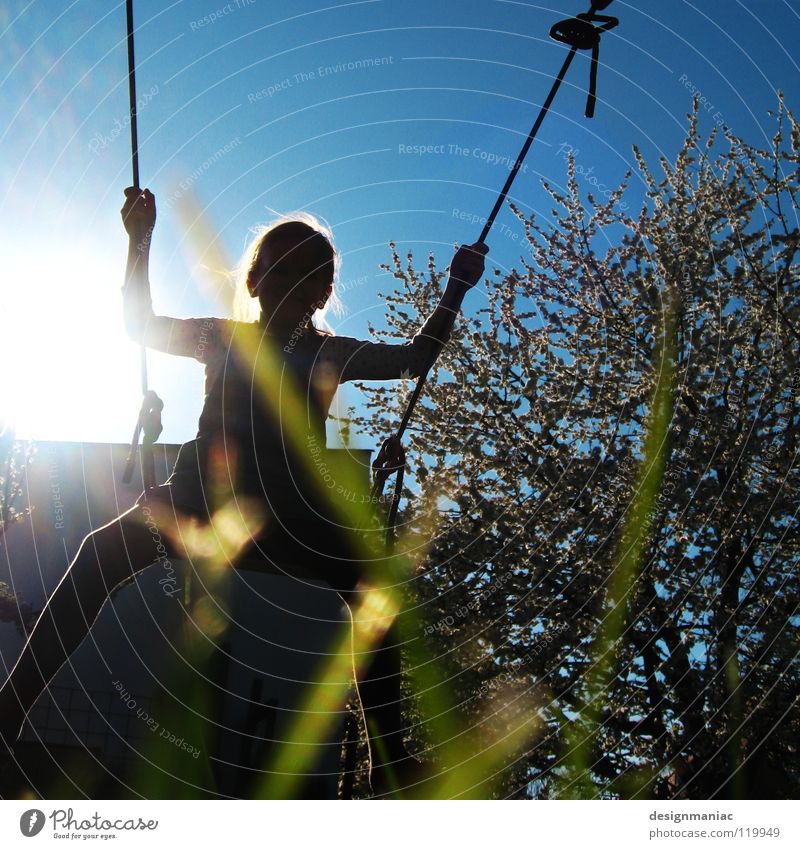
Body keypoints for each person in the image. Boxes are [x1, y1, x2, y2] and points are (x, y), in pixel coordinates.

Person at [0, 187, 487, 796]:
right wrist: (140, 239)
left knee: (374, 590)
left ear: (322, 294)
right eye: (281, 270)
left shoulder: (328, 354)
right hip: (199, 503)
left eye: (312, 276)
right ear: (254, 281)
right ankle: (13, 704)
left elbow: (413, 359)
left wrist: (456, 291)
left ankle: (391, 761)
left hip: (289, 519)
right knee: (100, 554)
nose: (294, 284)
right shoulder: (220, 338)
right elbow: (139, 325)